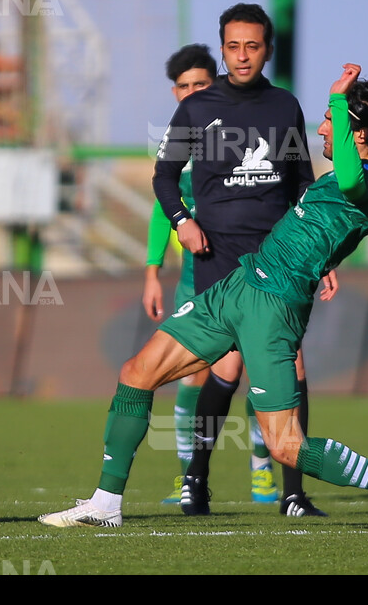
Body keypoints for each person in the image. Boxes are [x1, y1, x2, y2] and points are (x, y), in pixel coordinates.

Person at [38, 63, 368, 531]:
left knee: (284, 444)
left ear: (360, 132)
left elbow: (358, 187)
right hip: (239, 285)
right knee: (137, 373)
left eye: (332, 121)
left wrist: (337, 96)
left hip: (274, 307)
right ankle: (106, 503)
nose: (323, 128)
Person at [156, 4, 335, 517]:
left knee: (290, 363)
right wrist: (181, 222)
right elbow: (164, 176)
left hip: (281, 257)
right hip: (218, 257)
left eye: (252, 46)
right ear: (222, 48)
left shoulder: (285, 106)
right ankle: (197, 479)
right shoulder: (196, 108)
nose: (242, 56)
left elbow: (303, 183)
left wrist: (319, 250)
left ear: (267, 50)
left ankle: (294, 492)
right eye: (233, 46)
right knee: (228, 367)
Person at [144, 44, 215, 504]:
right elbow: (160, 208)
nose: (191, 93)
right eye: (184, 86)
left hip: (248, 266)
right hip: (193, 271)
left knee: (255, 369)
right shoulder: (176, 142)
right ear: (175, 92)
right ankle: (189, 476)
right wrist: (152, 272)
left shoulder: (239, 131)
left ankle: (265, 474)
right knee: (192, 372)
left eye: (201, 85)